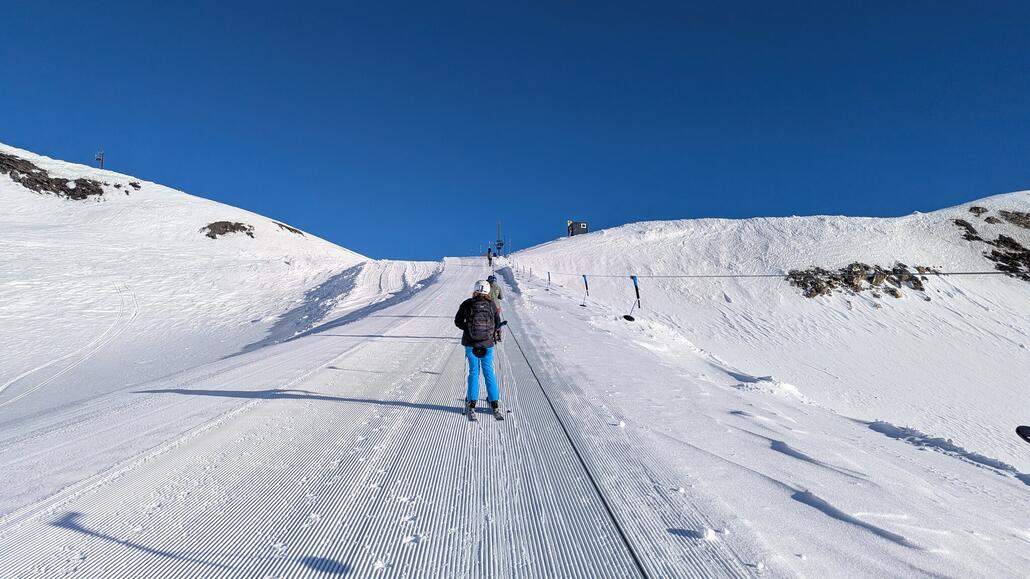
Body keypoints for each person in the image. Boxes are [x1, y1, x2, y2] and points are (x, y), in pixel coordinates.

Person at [454, 280, 502, 416]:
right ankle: (494, 403)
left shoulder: (467, 304)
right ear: (487, 292)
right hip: (487, 344)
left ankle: (472, 403)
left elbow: (457, 321)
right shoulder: (492, 305)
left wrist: (468, 330)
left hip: (470, 343)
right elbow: (497, 324)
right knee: (488, 372)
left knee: (474, 372)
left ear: (475, 290)